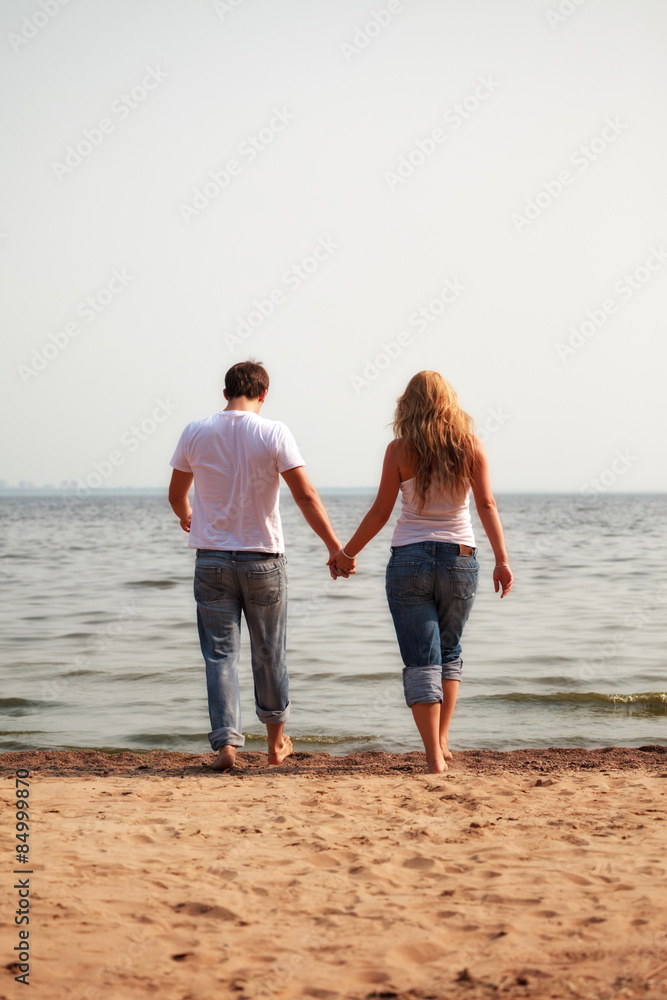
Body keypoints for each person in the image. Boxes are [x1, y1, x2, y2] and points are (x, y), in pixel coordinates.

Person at [168, 360, 354, 772]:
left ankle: (226, 749)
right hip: (263, 560)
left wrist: (187, 515)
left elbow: (177, 493)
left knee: (220, 656)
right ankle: (275, 744)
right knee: (269, 652)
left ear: (225, 393)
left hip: (212, 559)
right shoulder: (273, 432)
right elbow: (305, 496)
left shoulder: (195, 431)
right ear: (263, 394)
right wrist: (334, 546)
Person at [329, 370, 512, 774]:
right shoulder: (470, 446)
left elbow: (381, 512)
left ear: (408, 404)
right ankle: (443, 742)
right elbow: (487, 505)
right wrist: (501, 559)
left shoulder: (398, 450)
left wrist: (346, 553)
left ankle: (432, 755)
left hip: (409, 560)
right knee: (449, 652)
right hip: (461, 559)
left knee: (421, 659)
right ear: (449, 401)